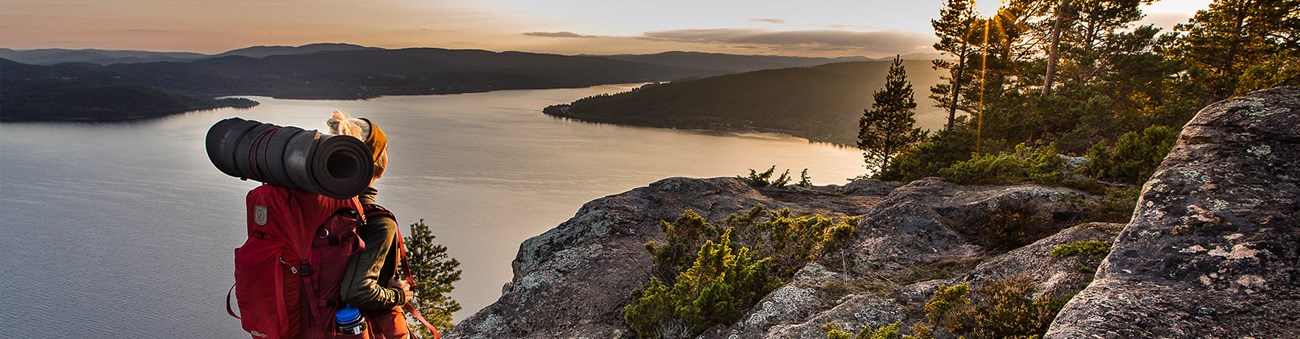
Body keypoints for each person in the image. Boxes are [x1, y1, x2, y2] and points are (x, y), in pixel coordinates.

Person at [328, 111, 411, 339]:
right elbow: (358, 291)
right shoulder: (378, 222)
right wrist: (399, 295)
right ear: (375, 161)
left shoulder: (324, 207)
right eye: (385, 150)